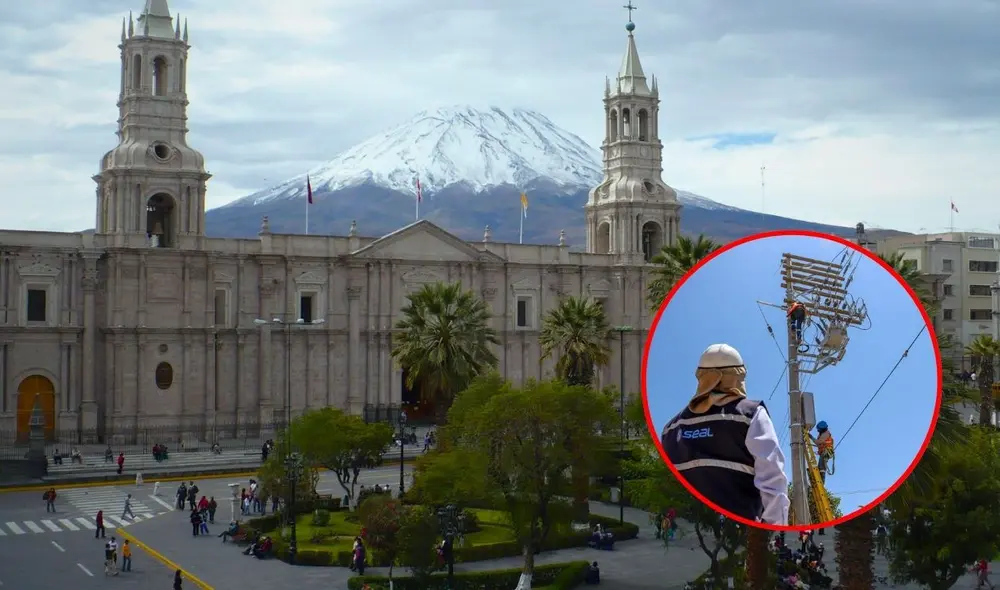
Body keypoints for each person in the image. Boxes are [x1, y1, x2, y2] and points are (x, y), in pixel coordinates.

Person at [661, 343, 790, 525]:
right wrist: (773, 531)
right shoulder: (750, 414)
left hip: (687, 532)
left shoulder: (671, 428)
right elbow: (773, 480)